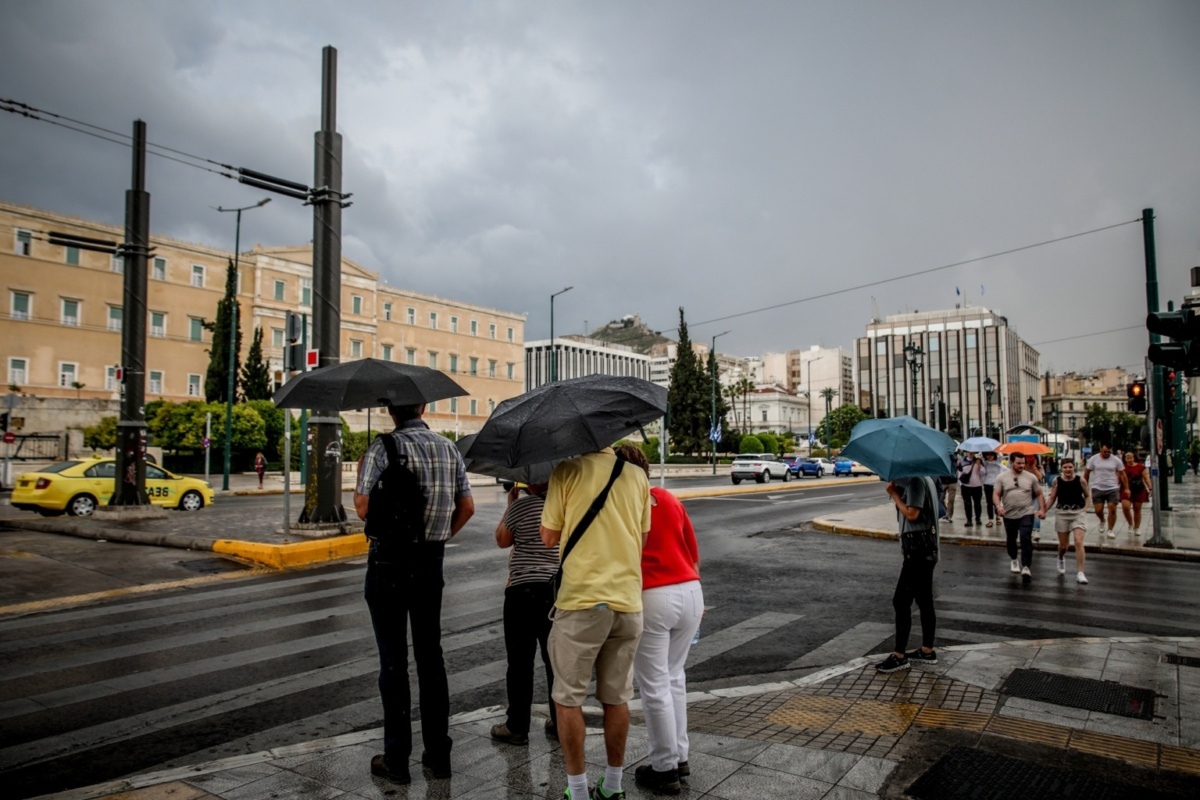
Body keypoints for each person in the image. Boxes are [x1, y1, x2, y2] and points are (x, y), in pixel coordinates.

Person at [353, 403, 475, 785]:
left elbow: (361, 508)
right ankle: (438, 756)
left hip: (388, 561)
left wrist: (362, 472)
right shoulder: (448, 447)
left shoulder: (381, 448)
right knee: (430, 657)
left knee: (393, 662)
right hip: (429, 562)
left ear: (391, 410)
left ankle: (396, 760)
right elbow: (467, 506)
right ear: (423, 406)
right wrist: (439, 538)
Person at [541, 445, 651, 800]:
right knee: (616, 698)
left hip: (582, 601)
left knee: (568, 699)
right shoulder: (637, 476)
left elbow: (548, 536)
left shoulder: (566, 470)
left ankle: (577, 790)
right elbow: (643, 539)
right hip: (628, 602)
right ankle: (614, 785)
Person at [615, 445, 702, 796]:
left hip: (654, 595)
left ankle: (664, 767)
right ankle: (680, 756)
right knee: (674, 677)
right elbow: (692, 553)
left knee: (653, 685)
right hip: (690, 592)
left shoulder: (623, 506)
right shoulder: (667, 497)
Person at [491, 481, 559, 746]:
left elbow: (502, 540)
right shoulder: (562, 506)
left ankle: (517, 726)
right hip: (554, 592)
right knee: (555, 661)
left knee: (519, 663)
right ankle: (559, 718)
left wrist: (509, 508)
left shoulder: (521, 504)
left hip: (522, 592)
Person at [875, 475, 940, 674]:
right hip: (926, 549)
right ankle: (927, 650)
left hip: (918, 552)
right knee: (924, 599)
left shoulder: (916, 481)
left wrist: (894, 494)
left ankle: (899, 656)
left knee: (901, 601)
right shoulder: (926, 478)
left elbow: (912, 514)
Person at [994, 453, 1047, 583]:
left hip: (1026, 512)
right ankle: (1013, 559)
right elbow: (996, 493)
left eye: (1023, 463)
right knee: (1011, 539)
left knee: (1025, 538)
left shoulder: (1031, 477)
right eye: (1018, 463)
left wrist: (1042, 509)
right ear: (1011, 462)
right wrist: (998, 506)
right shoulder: (1002, 477)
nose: (1021, 465)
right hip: (1009, 513)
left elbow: (1039, 494)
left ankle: (1026, 566)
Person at [1046, 458, 1091, 584]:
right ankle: (1060, 557)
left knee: (1078, 541)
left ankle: (1080, 573)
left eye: (1070, 467)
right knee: (1063, 546)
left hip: (1078, 513)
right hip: (1062, 513)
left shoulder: (1080, 480)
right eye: (1065, 467)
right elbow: (1052, 498)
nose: (1068, 470)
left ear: (1074, 468)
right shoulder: (1057, 481)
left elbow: (1087, 495)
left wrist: (1085, 509)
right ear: (1061, 468)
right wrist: (1043, 510)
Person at [1084, 444, 1128, 538]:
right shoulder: (1093, 459)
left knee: (1112, 509)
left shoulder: (1116, 460)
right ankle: (1102, 520)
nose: (1107, 453)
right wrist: (1085, 487)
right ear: (1100, 449)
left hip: (1112, 487)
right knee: (1098, 510)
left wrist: (1127, 488)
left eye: (1109, 452)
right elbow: (1086, 473)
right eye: (1105, 452)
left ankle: (1110, 530)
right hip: (1097, 487)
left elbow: (1123, 475)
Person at [1121, 451, 1150, 536]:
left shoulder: (1140, 467)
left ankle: (1137, 528)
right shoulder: (1122, 468)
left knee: (1137, 509)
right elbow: (1118, 478)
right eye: (1128, 458)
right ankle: (1130, 523)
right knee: (1125, 507)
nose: (1129, 460)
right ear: (1125, 459)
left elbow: (1146, 478)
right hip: (1125, 489)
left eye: (1131, 458)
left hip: (1138, 489)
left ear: (1134, 458)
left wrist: (1150, 488)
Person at [959, 454, 984, 528]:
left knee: (977, 504)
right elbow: (959, 473)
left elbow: (983, 472)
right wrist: (961, 484)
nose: (971, 453)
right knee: (967, 504)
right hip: (965, 486)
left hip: (977, 486)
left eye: (973, 452)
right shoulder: (962, 461)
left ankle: (978, 518)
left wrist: (979, 465)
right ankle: (969, 520)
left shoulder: (978, 461)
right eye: (969, 452)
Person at [980, 452, 1002, 528]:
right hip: (987, 484)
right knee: (989, 502)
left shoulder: (998, 462)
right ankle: (990, 519)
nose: (989, 456)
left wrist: (997, 449)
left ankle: (998, 516)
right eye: (987, 455)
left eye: (991, 455)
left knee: (996, 502)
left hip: (996, 485)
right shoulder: (984, 463)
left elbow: (1001, 455)